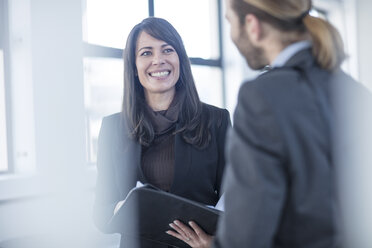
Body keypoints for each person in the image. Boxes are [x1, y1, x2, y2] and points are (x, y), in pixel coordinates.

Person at [170, 0, 372, 247]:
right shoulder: (354, 90)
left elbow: (250, 228)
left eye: (230, 23)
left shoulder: (262, 96)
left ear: (253, 25)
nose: (232, 36)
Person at [93, 17, 230, 248]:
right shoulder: (113, 128)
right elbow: (101, 215)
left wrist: (217, 241)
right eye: (146, 53)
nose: (158, 60)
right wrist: (124, 206)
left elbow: (236, 199)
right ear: (134, 67)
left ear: (180, 59)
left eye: (167, 50)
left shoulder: (216, 120)